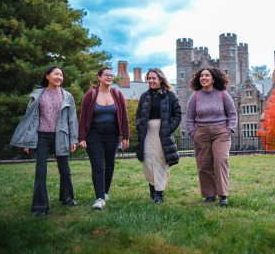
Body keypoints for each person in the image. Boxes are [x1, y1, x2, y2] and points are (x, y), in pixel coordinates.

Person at [10, 66, 79, 216]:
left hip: (61, 135)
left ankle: (68, 198)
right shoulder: (37, 95)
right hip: (42, 136)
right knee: (41, 172)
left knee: (65, 170)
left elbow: (72, 119)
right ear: (47, 76)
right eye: (56, 74)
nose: (59, 77)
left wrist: (73, 139)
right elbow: (30, 120)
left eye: (61, 75)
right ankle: (40, 206)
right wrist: (28, 141)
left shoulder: (67, 96)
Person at [78, 67, 130, 210]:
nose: (109, 77)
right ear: (99, 77)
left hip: (112, 135)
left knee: (109, 165)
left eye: (111, 75)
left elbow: (124, 117)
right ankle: (99, 198)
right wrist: (82, 137)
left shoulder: (118, 95)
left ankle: (105, 192)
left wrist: (125, 136)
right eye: (106, 75)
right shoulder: (91, 95)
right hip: (94, 135)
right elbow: (82, 117)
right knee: (98, 165)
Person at [186, 67, 237, 206]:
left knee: (221, 161)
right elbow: (189, 117)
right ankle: (209, 195)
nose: (204, 78)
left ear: (213, 79)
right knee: (204, 164)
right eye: (201, 76)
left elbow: (232, 114)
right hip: (201, 133)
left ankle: (223, 195)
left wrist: (229, 129)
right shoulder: (195, 96)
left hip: (221, 132)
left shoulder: (222, 94)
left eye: (207, 75)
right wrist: (193, 133)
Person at [135, 68, 181, 204]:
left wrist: (169, 129)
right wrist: (140, 125)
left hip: (163, 134)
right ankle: (153, 189)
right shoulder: (144, 96)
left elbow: (177, 114)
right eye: (149, 78)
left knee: (160, 162)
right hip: (147, 133)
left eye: (153, 78)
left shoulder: (170, 95)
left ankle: (159, 194)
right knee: (148, 162)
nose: (151, 81)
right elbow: (138, 114)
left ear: (160, 79)